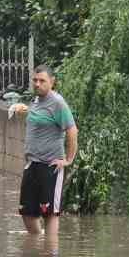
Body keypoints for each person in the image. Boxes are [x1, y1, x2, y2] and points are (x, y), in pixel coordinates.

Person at [9, 65, 78, 239]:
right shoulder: (36, 101)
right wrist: (26, 111)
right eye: (35, 80)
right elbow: (41, 122)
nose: (37, 84)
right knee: (27, 212)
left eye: (42, 81)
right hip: (32, 163)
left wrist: (68, 159)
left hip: (51, 166)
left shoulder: (58, 103)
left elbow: (72, 130)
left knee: (49, 214)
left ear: (52, 82)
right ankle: (37, 246)